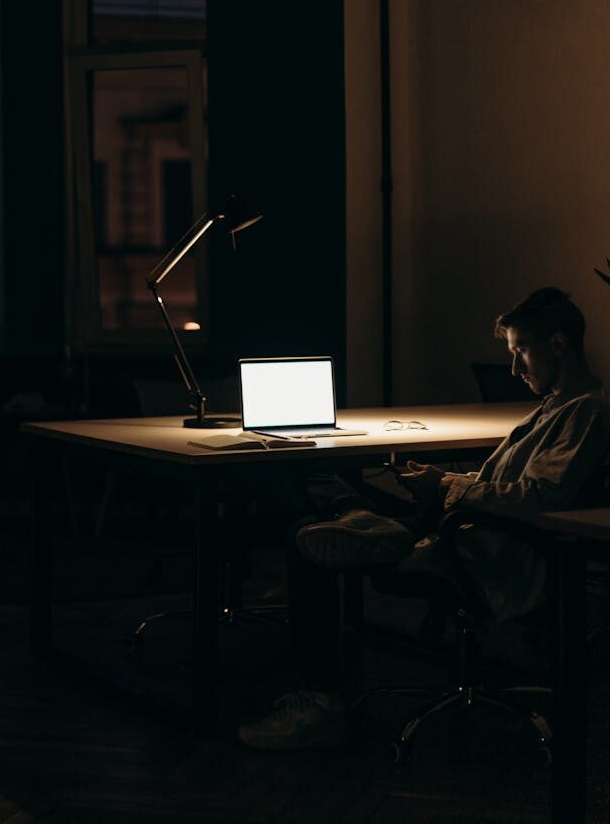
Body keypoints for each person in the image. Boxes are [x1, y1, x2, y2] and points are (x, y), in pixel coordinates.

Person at [238, 286, 610, 751]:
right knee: (313, 471)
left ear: (558, 344)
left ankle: (321, 703)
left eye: (521, 353)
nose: (515, 369)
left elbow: (536, 499)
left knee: (303, 538)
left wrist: (448, 487)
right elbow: (513, 482)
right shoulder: (556, 407)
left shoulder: (586, 413)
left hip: (480, 546)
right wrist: (444, 479)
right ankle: (358, 517)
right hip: (462, 521)